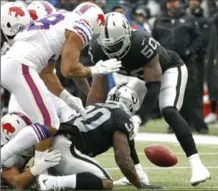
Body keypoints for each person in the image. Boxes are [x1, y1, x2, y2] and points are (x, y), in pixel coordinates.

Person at [84, 12, 210, 185]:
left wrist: (139, 117)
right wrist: (89, 118)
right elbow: (96, 91)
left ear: (127, 35)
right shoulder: (98, 49)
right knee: (118, 114)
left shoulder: (141, 43)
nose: (111, 51)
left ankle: (197, 164)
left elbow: (154, 86)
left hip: (169, 70)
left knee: (168, 110)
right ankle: (138, 173)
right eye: (108, 46)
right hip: (141, 78)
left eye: (116, 45)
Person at [1, 2, 121, 175]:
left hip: (13, 64)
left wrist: (67, 97)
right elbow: (69, 69)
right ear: (96, 24)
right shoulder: (82, 26)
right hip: (22, 67)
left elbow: (47, 73)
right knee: (49, 124)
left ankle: (43, 173)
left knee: (47, 124)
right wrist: (96, 69)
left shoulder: (62, 20)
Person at [38, 85, 161, 190]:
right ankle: (50, 183)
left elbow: (128, 145)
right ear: (131, 105)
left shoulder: (97, 106)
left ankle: (45, 177)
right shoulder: (121, 117)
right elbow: (123, 159)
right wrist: (139, 185)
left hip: (48, 143)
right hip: (66, 147)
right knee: (106, 182)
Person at [152, 0, 207, 134]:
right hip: (168, 64)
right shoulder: (159, 20)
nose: (172, 4)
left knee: (191, 94)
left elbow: (199, 38)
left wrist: (190, 50)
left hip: (187, 62)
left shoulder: (189, 19)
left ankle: (198, 124)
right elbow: (152, 40)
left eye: (174, 1)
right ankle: (175, 125)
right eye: (169, 2)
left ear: (179, 3)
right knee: (172, 95)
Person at [187, 0, 210, 132]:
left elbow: (204, 39)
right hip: (186, 58)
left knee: (196, 92)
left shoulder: (204, 19)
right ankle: (184, 122)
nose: (192, 2)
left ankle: (199, 123)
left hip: (198, 59)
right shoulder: (184, 17)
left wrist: (191, 50)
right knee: (183, 92)